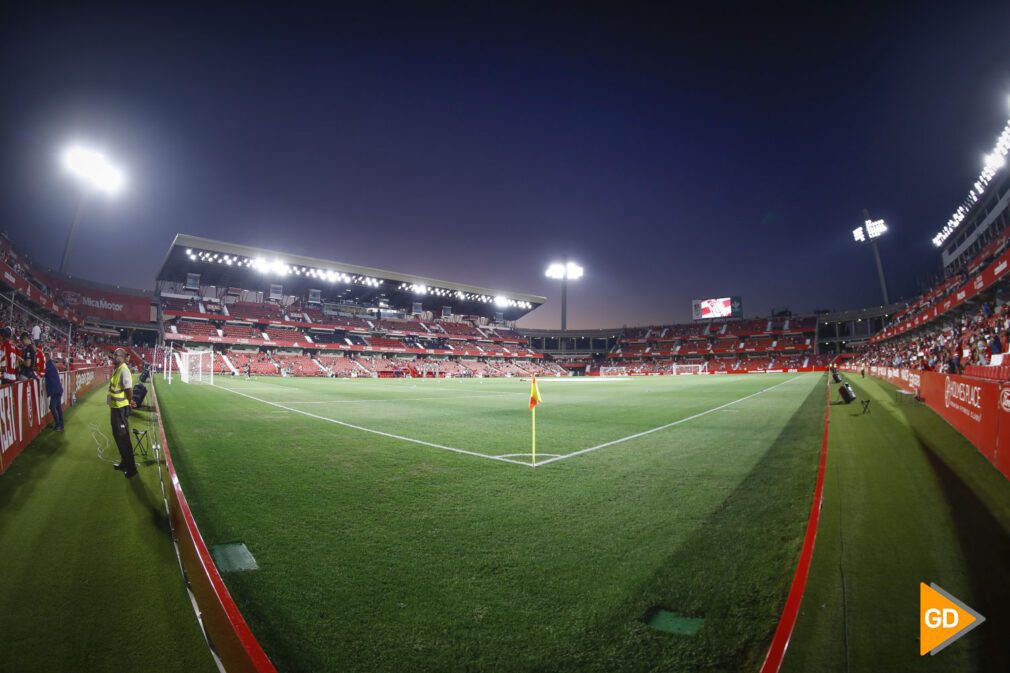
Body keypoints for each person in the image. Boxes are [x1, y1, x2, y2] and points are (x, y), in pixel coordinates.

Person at [108, 348, 138, 478]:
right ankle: (124, 461)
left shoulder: (124, 369)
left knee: (124, 438)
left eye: (116, 355)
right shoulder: (118, 369)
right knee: (117, 436)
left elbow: (128, 389)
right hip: (115, 408)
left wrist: (130, 401)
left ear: (122, 357)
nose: (114, 357)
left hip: (121, 409)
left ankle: (132, 468)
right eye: (113, 354)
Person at [44, 349, 64, 431]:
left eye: (44, 357)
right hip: (58, 389)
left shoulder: (49, 365)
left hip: (55, 390)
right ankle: (61, 425)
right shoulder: (52, 364)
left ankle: (58, 425)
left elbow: (43, 372)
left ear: (47, 357)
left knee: (52, 406)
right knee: (58, 408)